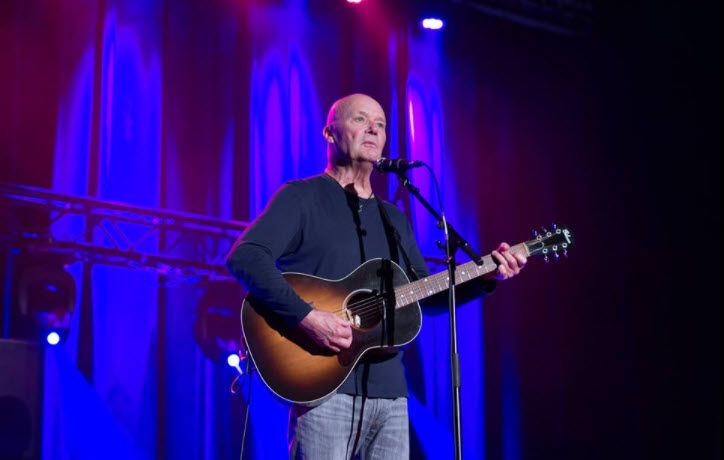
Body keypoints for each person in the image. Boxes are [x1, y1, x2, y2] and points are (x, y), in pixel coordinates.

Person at [226, 94, 526, 459]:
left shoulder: (393, 218)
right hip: (323, 391)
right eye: (360, 120)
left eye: (380, 125)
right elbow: (246, 257)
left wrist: (485, 279)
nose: (373, 129)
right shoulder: (302, 197)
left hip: (391, 398)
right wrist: (307, 316)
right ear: (330, 133)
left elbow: (424, 295)